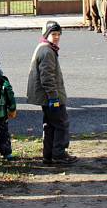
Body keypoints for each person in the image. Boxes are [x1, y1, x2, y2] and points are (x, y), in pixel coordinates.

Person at [26, 21, 77, 166]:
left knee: (50, 125)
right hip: (50, 97)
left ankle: (48, 155)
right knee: (61, 124)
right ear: (46, 35)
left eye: (58, 34)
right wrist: (54, 97)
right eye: (53, 34)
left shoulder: (44, 48)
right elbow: (47, 77)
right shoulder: (47, 51)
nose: (56, 37)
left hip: (46, 96)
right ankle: (59, 155)